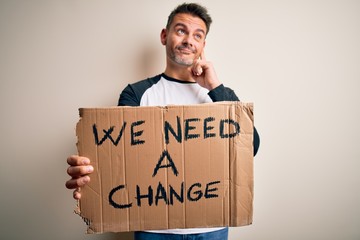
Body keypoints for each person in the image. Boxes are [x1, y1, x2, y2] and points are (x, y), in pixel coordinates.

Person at [66, 3, 260, 240]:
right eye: (181, 31)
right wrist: (89, 171)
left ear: (203, 46)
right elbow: (115, 155)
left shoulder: (221, 95)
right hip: (153, 230)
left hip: (212, 229)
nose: (189, 40)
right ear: (164, 36)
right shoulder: (137, 93)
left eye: (197, 35)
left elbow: (252, 147)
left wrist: (214, 87)